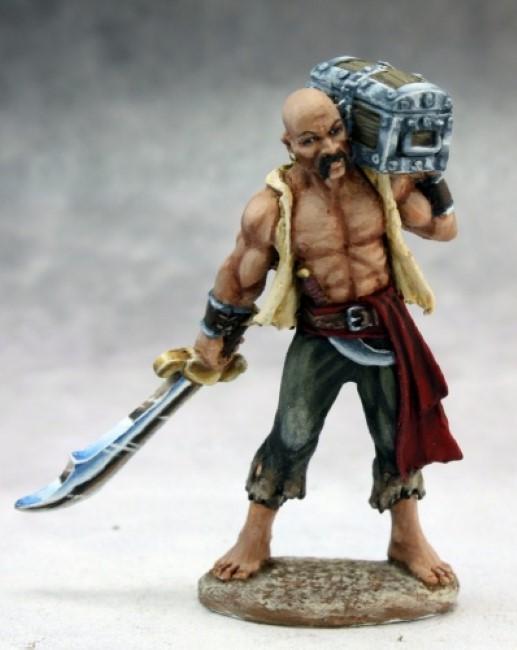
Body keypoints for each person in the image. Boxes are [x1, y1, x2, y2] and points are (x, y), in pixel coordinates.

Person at [192, 88, 462, 587]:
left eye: (335, 131)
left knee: (398, 434)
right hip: (321, 334)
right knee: (291, 433)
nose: (329, 147)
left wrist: (428, 172)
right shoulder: (274, 207)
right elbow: (241, 276)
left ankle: (407, 538)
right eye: (311, 140)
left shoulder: (381, 183)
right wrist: (215, 336)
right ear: (289, 144)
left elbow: (444, 229)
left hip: (384, 329)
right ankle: (255, 536)